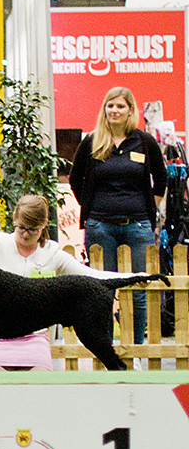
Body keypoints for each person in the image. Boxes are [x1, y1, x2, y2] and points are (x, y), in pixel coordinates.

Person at [0, 195, 130, 371]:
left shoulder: (53, 254)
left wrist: (133, 277)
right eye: (21, 228)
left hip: (35, 339)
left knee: (38, 384)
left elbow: (91, 275)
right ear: (14, 220)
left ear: (44, 224)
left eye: (33, 229)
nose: (25, 234)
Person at [69, 86, 166, 347]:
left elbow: (162, 179)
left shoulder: (144, 141)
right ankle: (105, 348)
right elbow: (76, 180)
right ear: (104, 109)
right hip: (100, 227)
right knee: (101, 291)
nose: (114, 110)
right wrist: (93, 208)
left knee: (138, 291)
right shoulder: (91, 141)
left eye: (120, 106)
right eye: (110, 105)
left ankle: (135, 350)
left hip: (138, 227)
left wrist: (147, 208)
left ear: (130, 110)